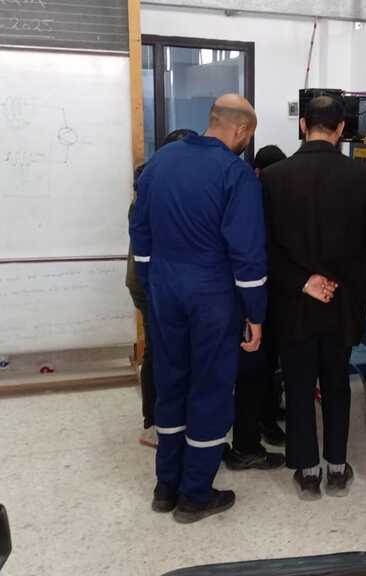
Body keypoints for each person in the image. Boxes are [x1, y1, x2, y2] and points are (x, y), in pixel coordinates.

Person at [130, 94, 266, 523]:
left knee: (170, 384)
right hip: (212, 297)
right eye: (248, 136)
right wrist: (255, 314)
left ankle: (165, 486)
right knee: (210, 391)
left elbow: (140, 233)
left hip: (164, 291)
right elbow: (247, 253)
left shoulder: (160, 163)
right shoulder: (234, 174)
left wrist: (153, 285)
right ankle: (195, 494)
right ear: (241, 130)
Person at [261, 96, 366, 499]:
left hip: (293, 303)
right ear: (341, 129)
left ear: (303, 125)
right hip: (341, 304)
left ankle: (308, 472)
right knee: (336, 383)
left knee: (298, 385)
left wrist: (305, 281)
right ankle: (337, 467)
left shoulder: (273, 177)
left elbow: (265, 248)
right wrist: (344, 289)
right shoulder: (361, 177)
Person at [127, 128, 197, 449]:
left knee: (168, 349)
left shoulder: (157, 180)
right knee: (158, 349)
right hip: (149, 282)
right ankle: (154, 422)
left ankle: (172, 418)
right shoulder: (152, 186)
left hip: (159, 279)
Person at [225, 145, 288, 471]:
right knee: (253, 370)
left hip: (260, 297)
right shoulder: (249, 197)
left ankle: (265, 418)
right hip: (253, 300)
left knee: (264, 366)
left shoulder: (254, 194)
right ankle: (248, 440)